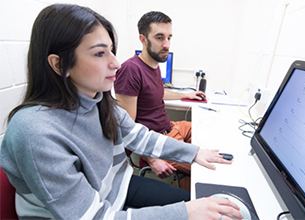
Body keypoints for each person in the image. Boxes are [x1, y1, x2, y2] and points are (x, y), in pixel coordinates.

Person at [0, 4, 243, 220]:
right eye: (99, 53)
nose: (116, 63)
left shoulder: (95, 99)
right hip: (93, 212)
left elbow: (136, 134)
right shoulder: (35, 132)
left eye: (111, 50)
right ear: (59, 64)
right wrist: (186, 213)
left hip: (119, 188)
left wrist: (194, 152)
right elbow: (93, 216)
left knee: (203, 203)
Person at [114, 11, 205, 188]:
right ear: (143, 39)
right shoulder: (131, 70)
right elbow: (126, 127)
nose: (166, 44)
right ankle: (186, 198)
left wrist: (185, 95)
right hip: (157, 141)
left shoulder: (153, 64)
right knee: (206, 165)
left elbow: (157, 92)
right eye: (159, 37)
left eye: (169, 37)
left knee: (209, 135)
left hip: (171, 128)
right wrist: (152, 158)